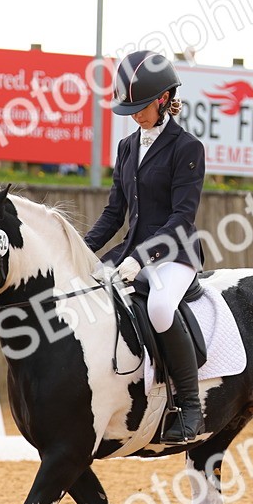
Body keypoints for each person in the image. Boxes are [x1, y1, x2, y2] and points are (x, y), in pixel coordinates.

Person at [84, 50, 206, 443]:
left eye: (140, 108)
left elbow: (181, 218)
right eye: (130, 108)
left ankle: (190, 405)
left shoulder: (187, 148)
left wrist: (142, 257)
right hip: (130, 251)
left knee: (158, 306)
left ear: (163, 99)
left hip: (174, 252)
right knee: (86, 292)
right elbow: (114, 213)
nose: (134, 115)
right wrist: (81, 252)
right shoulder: (127, 147)